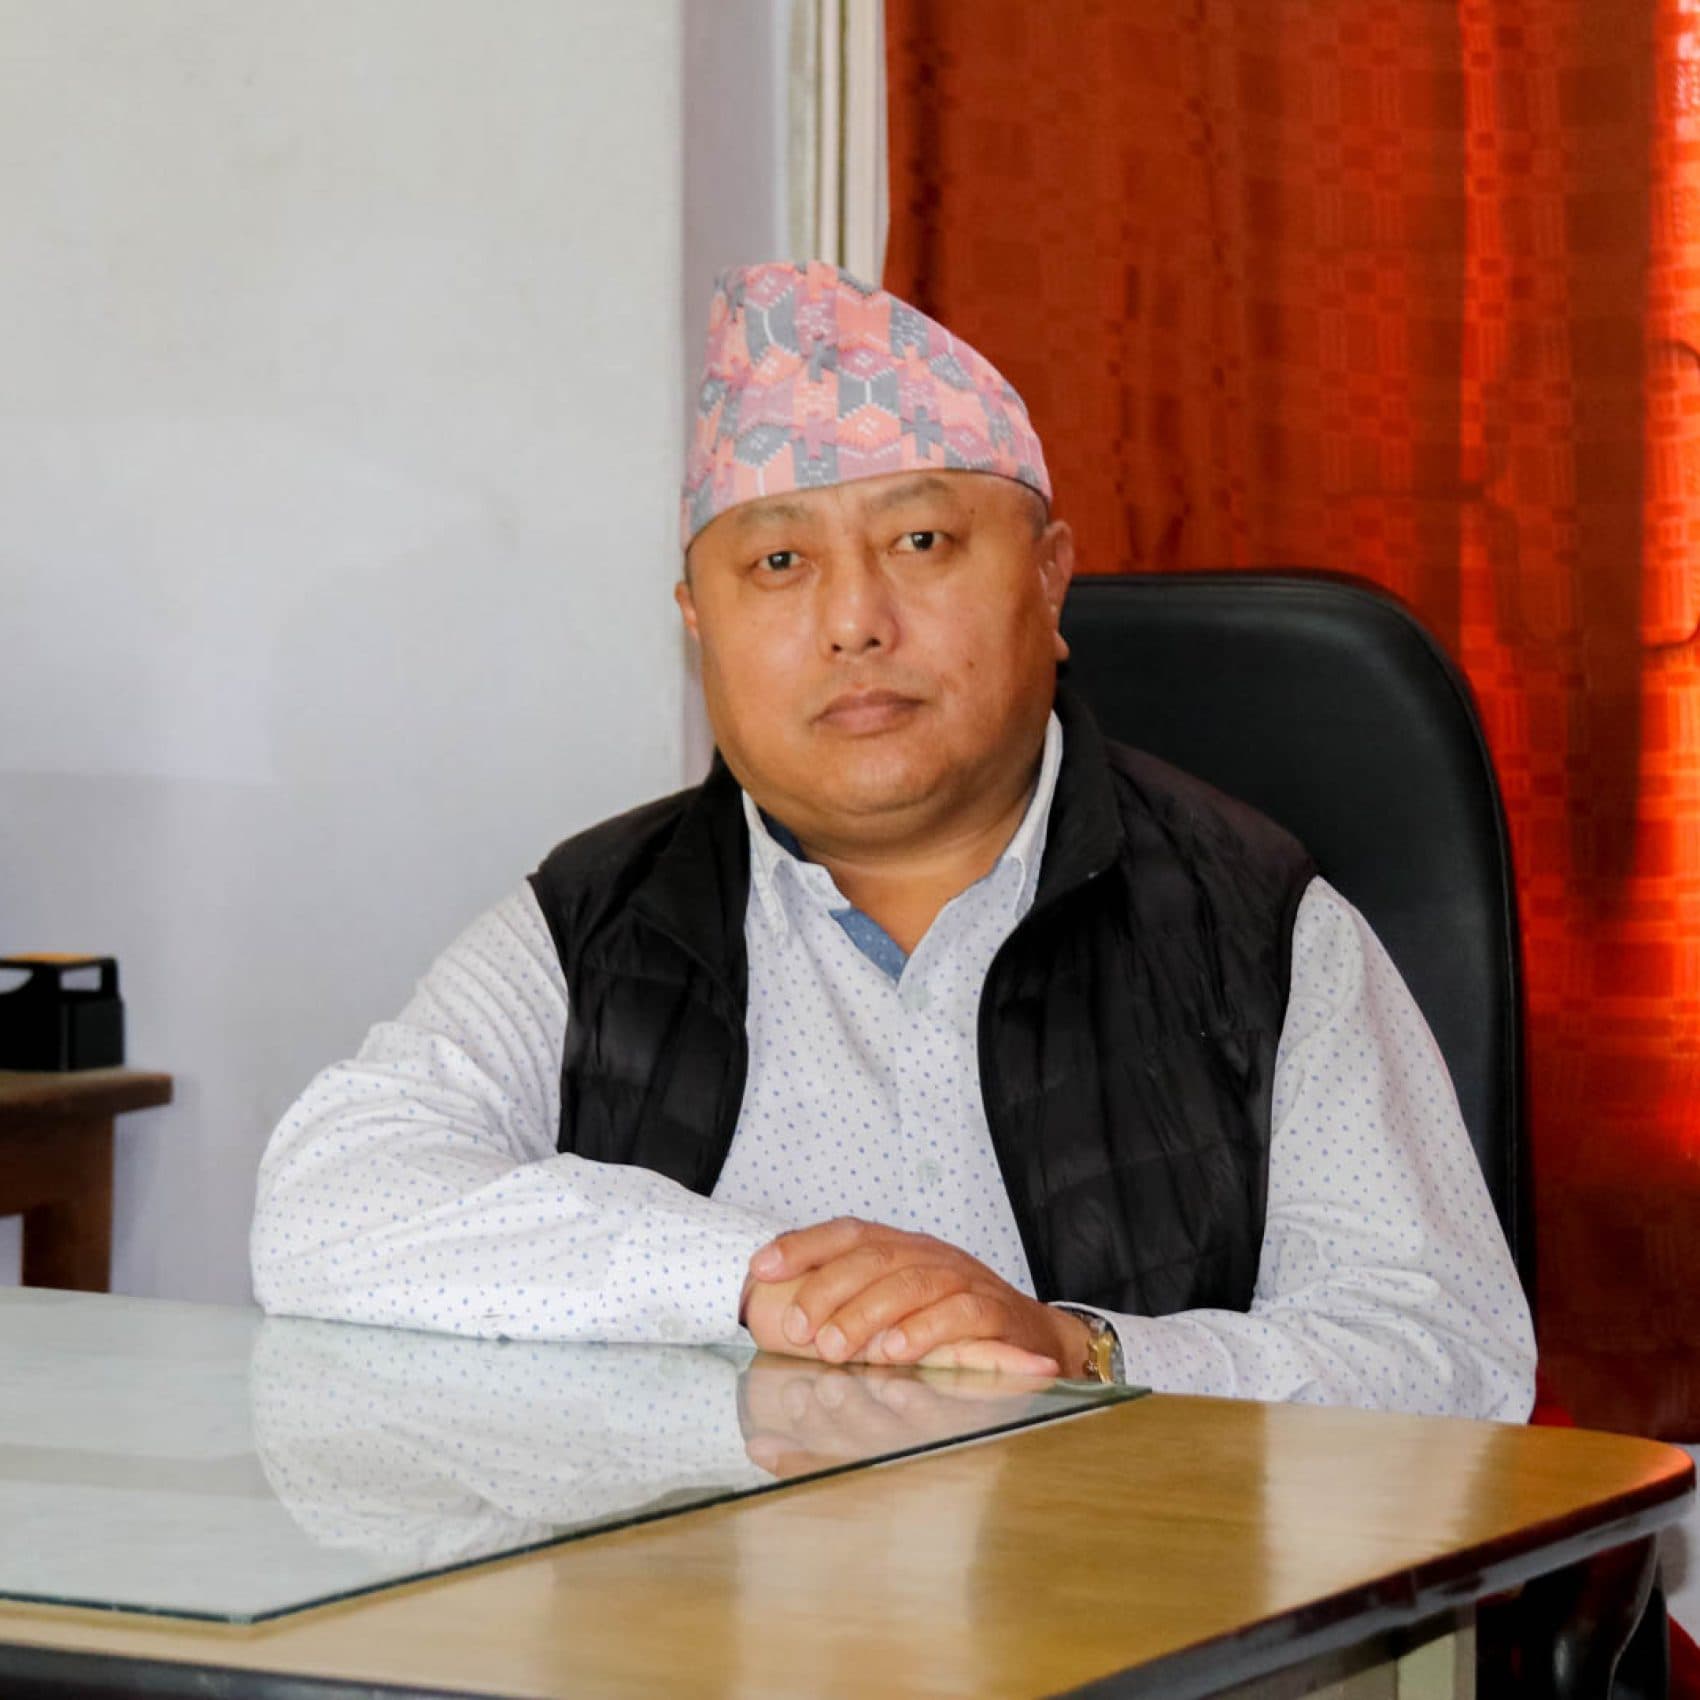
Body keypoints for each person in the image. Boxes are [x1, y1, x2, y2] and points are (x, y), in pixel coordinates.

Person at [252, 260, 1535, 1417]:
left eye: (920, 541)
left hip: (1126, 1588)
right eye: (777, 564)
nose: (854, 619)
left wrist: (1080, 1349)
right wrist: (754, 1280)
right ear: (697, 622)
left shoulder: (1255, 926)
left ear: (1048, 578)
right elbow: (325, 1208)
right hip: (707, 1596)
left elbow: (1450, 1358)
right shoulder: (589, 924)